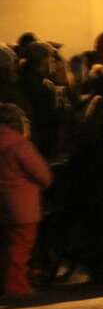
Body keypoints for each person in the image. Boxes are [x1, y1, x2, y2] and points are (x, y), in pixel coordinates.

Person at [0, 103, 52, 298]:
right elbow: (42, 174)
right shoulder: (20, 145)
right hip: (22, 205)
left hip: (3, 204)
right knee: (20, 248)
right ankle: (16, 287)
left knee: (6, 246)